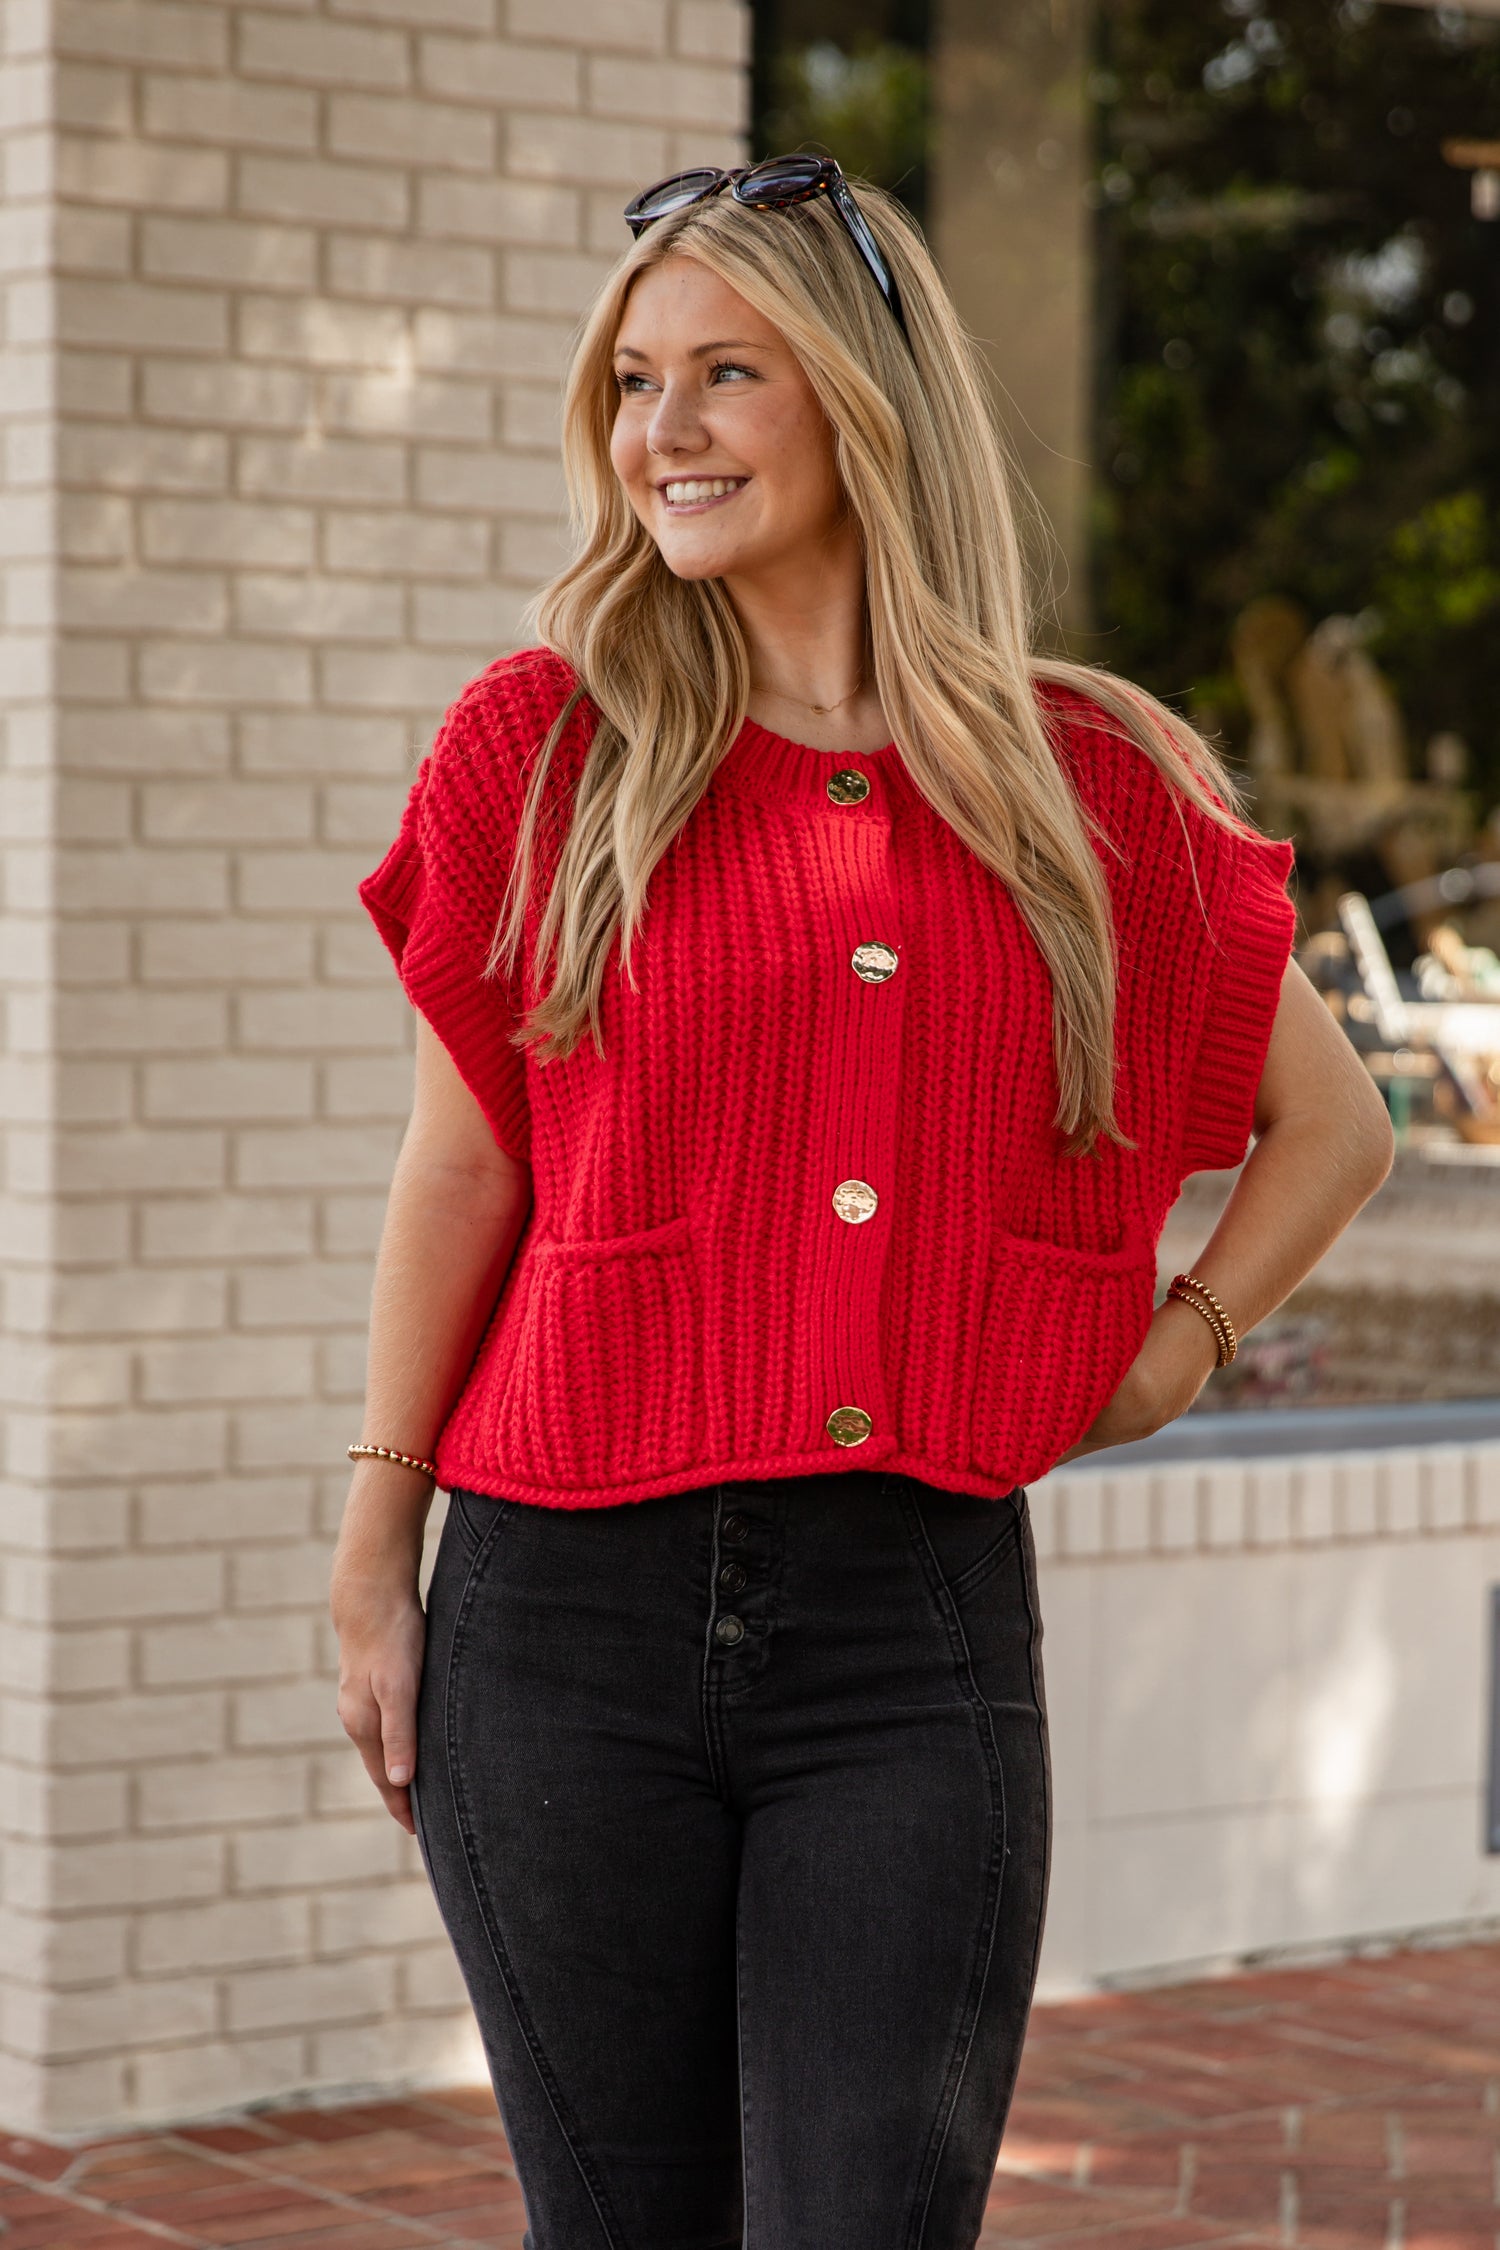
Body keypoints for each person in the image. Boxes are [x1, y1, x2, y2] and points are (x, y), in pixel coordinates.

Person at [330, 157, 1393, 2250]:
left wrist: (1181, 1352)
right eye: (638, 380)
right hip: (555, 1622)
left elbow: (1331, 1125)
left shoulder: (1088, 785)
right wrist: (377, 1544)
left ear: (865, 404)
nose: (669, 431)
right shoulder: (545, 748)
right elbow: (463, 1164)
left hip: (908, 1639)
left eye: (732, 371)